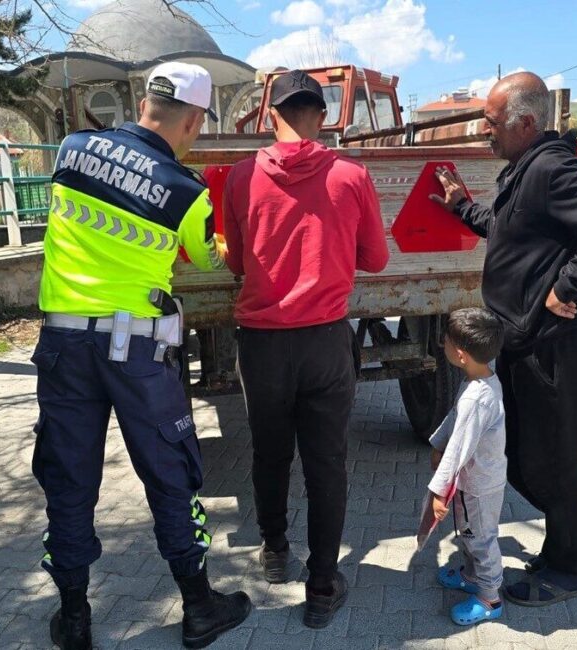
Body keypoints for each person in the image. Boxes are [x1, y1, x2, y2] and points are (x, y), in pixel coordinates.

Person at [30, 62, 251, 650]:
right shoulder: (186, 192)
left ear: (145, 101)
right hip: (137, 352)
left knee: (68, 478)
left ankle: (75, 618)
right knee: (169, 475)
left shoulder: (72, 151)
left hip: (62, 346)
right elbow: (207, 260)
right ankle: (199, 608)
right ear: (196, 119)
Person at [431, 72, 577, 606]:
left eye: (492, 122)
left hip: (554, 344)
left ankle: (569, 566)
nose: (485, 131)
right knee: (532, 456)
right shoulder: (524, 170)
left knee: (549, 459)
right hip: (524, 339)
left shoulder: (550, 168)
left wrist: (567, 285)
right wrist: (461, 206)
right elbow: (512, 232)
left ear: (526, 123)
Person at [222, 69, 390, 628]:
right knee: (327, 462)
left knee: (270, 453)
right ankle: (321, 586)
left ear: (271, 116)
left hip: (262, 345)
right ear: (322, 117)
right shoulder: (351, 174)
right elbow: (377, 259)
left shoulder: (242, 177)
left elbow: (236, 262)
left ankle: (274, 551)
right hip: (324, 341)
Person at [427, 308, 507, 626]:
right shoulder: (481, 377)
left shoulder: (477, 398)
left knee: (480, 538)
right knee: (469, 533)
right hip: (474, 483)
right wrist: (437, 442)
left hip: (478, 487)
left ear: (460, 355)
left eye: (444, 342)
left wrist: (439, 490)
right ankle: (472, 574)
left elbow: (460, 447)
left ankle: (490, 596)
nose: (441, 345)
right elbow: (454, 420)